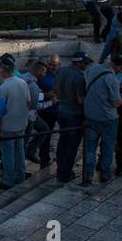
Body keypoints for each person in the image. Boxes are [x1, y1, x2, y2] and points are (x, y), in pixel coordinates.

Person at [82, 52, 122, 185]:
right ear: (118, 66)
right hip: (108, 118)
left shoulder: (94, 69)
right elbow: (116, 103)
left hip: (90, 115)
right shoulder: (111, 78)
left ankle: (87, 175)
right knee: (107, 147)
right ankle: (104, 174)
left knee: (90, 148)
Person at [53, 51, 90, 183]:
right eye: (84, 63)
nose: (86, 65)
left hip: (62, 110)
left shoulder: (61, 71)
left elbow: (56, 90)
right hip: (74, 114)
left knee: (62, 141)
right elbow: (81, 100)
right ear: (78, 63)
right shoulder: (79, 77)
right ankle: (65, 173)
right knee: (72, 145)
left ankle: (59, 169)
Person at [0, 58, 31, 188]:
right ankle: (20, 176)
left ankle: (8, 180)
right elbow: (28, 103)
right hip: (21, 123)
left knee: (8, 153)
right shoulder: (23, 83)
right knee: (20, 150)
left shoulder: (3, 88)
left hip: (8, 126)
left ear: (3, 70)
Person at [26, 60, 58, 169]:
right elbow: (36, 105)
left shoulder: (24, 77)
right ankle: (29, 152)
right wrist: (50, 102)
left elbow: (36, 96)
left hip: (28, 114)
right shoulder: (33, 85)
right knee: (23, 142)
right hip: (29, 116)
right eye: (44, 73)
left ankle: (31, 151)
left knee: (44, 129)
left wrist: (44, 95)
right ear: (39, 72)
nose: (44, 75)